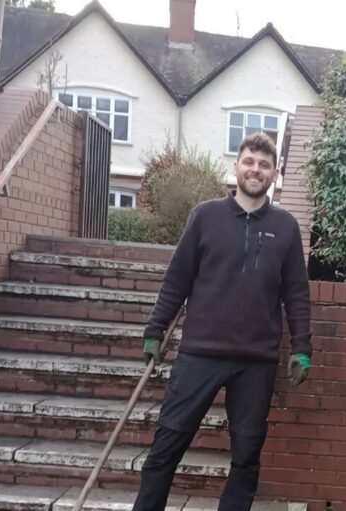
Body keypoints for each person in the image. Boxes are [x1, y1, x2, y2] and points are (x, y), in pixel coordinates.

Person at [132, 132, 312, 511]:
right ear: (236, 166)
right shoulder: (205, 216)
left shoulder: (285, 227)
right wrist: (154, 330)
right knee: (166, 447)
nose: (255, 169)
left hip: (256, 361)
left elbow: (296, 294)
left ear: (275, 173)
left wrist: (302, 348)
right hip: (200, 353)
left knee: (246, 458)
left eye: (264, 165)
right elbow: (177, 280)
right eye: (249, 161)